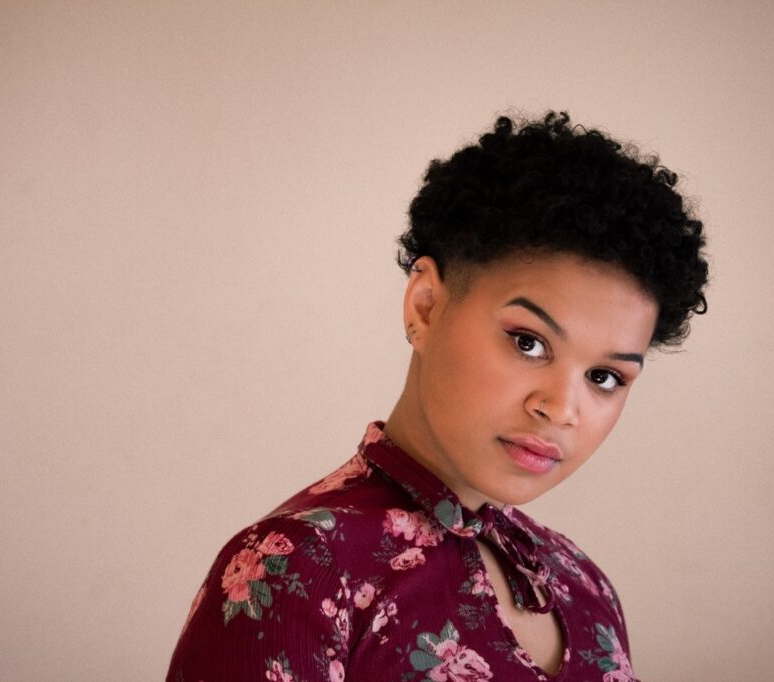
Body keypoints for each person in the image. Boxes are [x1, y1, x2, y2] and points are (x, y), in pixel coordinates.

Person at [167, 112, 708, 682]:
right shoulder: (295, 571)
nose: (561, 408)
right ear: (425, 306)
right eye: (528, 342)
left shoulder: (582, 584)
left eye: (604, 378)